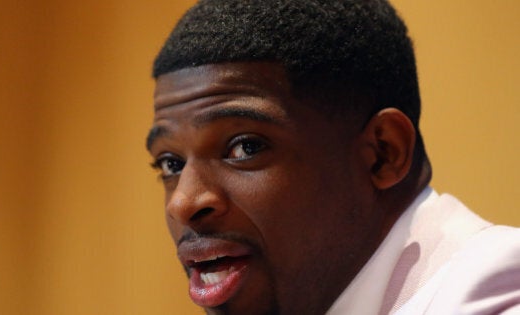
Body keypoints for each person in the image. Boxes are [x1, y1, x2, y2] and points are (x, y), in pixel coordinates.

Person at [145, 0, 520, 314]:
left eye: (245, 147)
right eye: (171, 164)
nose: (184, 202)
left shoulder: (490, 293)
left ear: (383, 154)